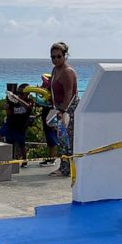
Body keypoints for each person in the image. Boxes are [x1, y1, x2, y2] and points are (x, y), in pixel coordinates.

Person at [49, 42, 78, 177]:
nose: (56, 59)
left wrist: (62, 112)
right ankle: (63, 167)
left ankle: (67, 169)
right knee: (61, 139)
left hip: (69, 109)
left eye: (58, 56)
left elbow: (69, 94)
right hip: (59, 107)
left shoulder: (67, 72)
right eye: (53, 57)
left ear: (65, 56)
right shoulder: (55, 70)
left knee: (68, 140)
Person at [3, 84, 34, 167]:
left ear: (27, 93)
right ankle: (8, 159)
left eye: (21, 93)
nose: (19, 94)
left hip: (21, 127)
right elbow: (9, 113)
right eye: (18, 93)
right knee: (8, 142)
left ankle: (24, 161)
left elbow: (28, 107)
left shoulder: (30, 101)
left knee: (21, 145)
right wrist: (7, 107)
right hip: (11, 125)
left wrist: (17, 98)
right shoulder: (13, 102)